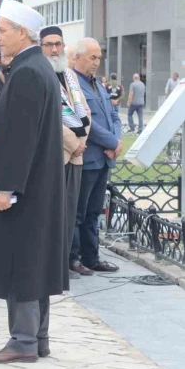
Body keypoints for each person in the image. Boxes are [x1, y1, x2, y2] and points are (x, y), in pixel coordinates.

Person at [0, 0, 65, 365]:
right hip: (39, 185)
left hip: (24, 190)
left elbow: (23, 139)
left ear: (21, 33)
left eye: (1, 30)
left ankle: (23, 340)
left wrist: (7, 187)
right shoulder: (36, 66)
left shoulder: (28, 71)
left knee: (23, 262)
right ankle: (38, 338)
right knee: (34, 260)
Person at [40, 27, 91, 282]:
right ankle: (51, 266)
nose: (54, 49)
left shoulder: (69, 75)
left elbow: (85, 111)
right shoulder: (41, 75)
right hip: (56, 155)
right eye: (49, 44)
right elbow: (49, 118)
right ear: (41, 47)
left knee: (70, 214)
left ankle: (64, 263)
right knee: (53, 215)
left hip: (76, 156)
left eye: (58, 44)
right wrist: (73, 143)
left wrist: (81, 142)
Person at [70, 38, 122, 276]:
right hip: (87, 157)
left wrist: (117, 141)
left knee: (94, 212)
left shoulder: (98, 85)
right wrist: (112, 142)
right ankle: (74, 258)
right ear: (78, 57)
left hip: (104, 159)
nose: (96, 62)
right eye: (92, 57)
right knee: (78, 213)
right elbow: (84, 121)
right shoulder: (72, 84)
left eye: (99, 58)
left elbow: (114, 116)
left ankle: (92, 257)